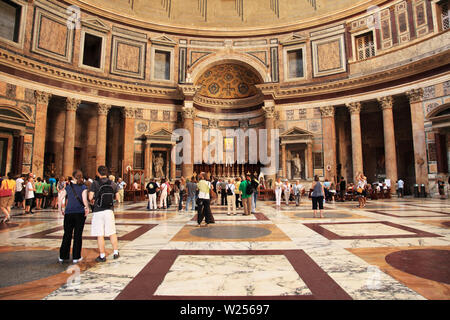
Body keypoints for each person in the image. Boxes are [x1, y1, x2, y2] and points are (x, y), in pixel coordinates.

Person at [58, 170, 90, 264]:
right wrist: (87, 208)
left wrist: (60, 209)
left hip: (69, 213)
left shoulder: (68, 187)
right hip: (79, 213)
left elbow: (60, 199)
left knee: (67, 234)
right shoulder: (83, 187)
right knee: (77, 235)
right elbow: (84, 200)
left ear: (73, 177)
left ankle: (62, 256)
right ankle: (76, 256)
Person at [89, 165, 120, 262]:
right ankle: (115, 252)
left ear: (98, 173)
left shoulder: (95, 183)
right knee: (112, 232)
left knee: (100, 234)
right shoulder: (113, 183)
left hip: (98, 211)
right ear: (107, 173)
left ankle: (102, 255)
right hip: (109, 211)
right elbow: (118, 198)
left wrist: (93, 200)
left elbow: (90, 197)